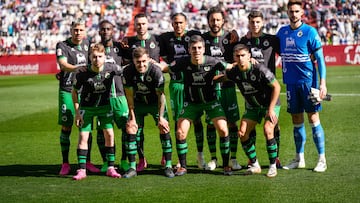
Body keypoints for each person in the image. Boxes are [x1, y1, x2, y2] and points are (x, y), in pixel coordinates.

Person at [159, 35, 233, 176]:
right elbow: (166, 68)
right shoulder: (183, 62)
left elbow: (230, 67)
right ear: (189, 49)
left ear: (204, 49)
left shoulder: (213, 61)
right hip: (191, 103)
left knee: (223, 129)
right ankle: (183, 166)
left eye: (199, 48)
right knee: (180, 132)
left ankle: (225, 165)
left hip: (211, 102)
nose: (196, 51)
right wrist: (153, 63)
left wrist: (247, 63)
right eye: (193, 48)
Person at [214, 44, 281, 177]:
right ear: (234, 57)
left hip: (269, 105)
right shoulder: (234, 71)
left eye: (243, 55)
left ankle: (273, 166)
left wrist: (271, 109)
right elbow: (222, 78)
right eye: (237, 56)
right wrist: (207, 77)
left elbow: (277, 87)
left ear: (249, 56)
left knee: (268, 130)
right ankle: (255, 164)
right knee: (242, 133)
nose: (240, 59)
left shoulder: (259, 69)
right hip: (252, 107)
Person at [277, 0, 327, 172]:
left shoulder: (309, 32)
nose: (293, 14)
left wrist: (322, 83)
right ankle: (300, 158)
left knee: (313, 119)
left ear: (302, 13)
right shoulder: (282, 32)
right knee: (296, 120)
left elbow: (320, 59)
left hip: (308, 83)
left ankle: (322, 159)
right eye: (291, 11)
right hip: (291, 84)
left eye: (296, 11)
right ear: (287, 12)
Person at [158, 12, 206, 169]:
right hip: (177, 85)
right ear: (172, 24)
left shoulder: (194, 35)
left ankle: (200, 155)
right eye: (175, 23)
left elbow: (211, 37)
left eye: (181, 22)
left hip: (194, 84)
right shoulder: (165, 38)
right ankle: (176, 157)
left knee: (197, 120)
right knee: (179, 120)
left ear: (186, 23)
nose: (178, 25)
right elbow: (149, 44)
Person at [121, 47, 175, 178]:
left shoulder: (156, 71)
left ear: (149, 60)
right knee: (132, 129)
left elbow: (161, 97)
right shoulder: (128, 71)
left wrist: (161, 117)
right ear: (133, 61)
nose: (141, 64)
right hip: (138, 104)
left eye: (144, 61)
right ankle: (133, 167)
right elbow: (129, 97)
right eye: (138, 61)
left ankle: (168, 165)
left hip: (155, 104)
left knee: (164, 128)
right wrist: (132, 118)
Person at [55, 18, 100, 176]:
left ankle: (86, 162)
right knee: (67, 126)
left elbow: (95, 61)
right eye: (75, 30)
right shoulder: (62, 45)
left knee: (86, 127)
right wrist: (79, 69)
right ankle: (65, 163)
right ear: (71, 30)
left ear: (85, 31)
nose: (78, 33)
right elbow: (63, 65)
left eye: (81, 30)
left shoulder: (88, 44)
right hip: (67, 90)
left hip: (86, 91)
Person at [72, 43, 122, 180]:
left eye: (100, 56)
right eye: (94, 57)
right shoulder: (82, 73)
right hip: (86, 108)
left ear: (105, 57)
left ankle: (111, 167)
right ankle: (82, 170)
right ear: (89, 57)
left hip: (104, 107)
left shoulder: (111, 68)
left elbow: (126, 71)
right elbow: (74, 92)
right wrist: (77, 112)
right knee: (83, 137)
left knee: (110, 135)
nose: (97, 59)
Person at [239, 10, 282, 168]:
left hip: (270, 92)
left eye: (257, 22)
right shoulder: (244, 42)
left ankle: (276, 158)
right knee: (250, 128)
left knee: (273, 126)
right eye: (252, 22)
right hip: (251, 92)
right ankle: (252, 159)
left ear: (262, 22)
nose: (255, 25)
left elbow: (287, 54)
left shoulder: (271, 40)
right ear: (248, 23)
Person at [201, 6, 241, 171]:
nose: (215, 23)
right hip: (209, 88)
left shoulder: (231, 38)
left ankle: (233, 158)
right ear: (208, 21)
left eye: (218, 19)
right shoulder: (202, 39)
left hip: (227, 86)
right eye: (212, 20)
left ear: (223, 21)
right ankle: (213, 159)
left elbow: (241, 55)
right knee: (211, 124)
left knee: (231, 123)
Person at [121, 13, 161, 171]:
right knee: (138, 130)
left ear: (148, 23)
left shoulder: (158, 40)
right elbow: (122, 62)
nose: (141, 27)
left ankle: (167, 157)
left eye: (143, 23)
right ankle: (141, 158)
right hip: (136, 94)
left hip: (155, 93)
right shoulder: (128, 42)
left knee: (163, 126)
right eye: (138, 24)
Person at [97, 20, 129, 173]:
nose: (105, 32)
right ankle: (106, 162)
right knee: (102, 131)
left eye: (108, 29)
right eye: (103, 29)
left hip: (120, 95)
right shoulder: (95, 49)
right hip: (101, 98)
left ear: (113, 30)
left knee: (126, 129)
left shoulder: (120, 48)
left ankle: (123, 160)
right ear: (99, 31)